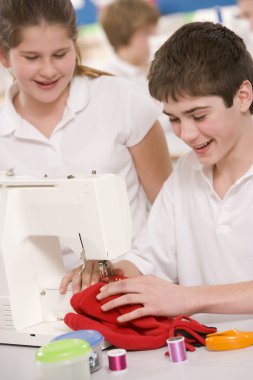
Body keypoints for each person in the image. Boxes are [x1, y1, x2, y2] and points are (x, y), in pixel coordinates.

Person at [63, 21, 253, 320]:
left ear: (243, 96)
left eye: (198, 115)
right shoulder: (187, 173)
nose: (186, 134)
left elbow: (179, 296)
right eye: (174, 119)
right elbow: (149, 258)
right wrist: (108, 272)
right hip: (205, 353)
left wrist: (187, 298)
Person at [0, 0, 172, 277]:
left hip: (136, 282)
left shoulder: (121, 100)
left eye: (60, 54)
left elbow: (170, 214)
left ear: (75, 46)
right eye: (32, 58)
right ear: (4, 56)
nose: (48, 70)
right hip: (46, 302)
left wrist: (132, 267)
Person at [98, 0, 160, 90]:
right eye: (146, 31)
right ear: (122, 34)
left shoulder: (160, 67)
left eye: (154, 29)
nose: (155, 35)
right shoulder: (107, 80)